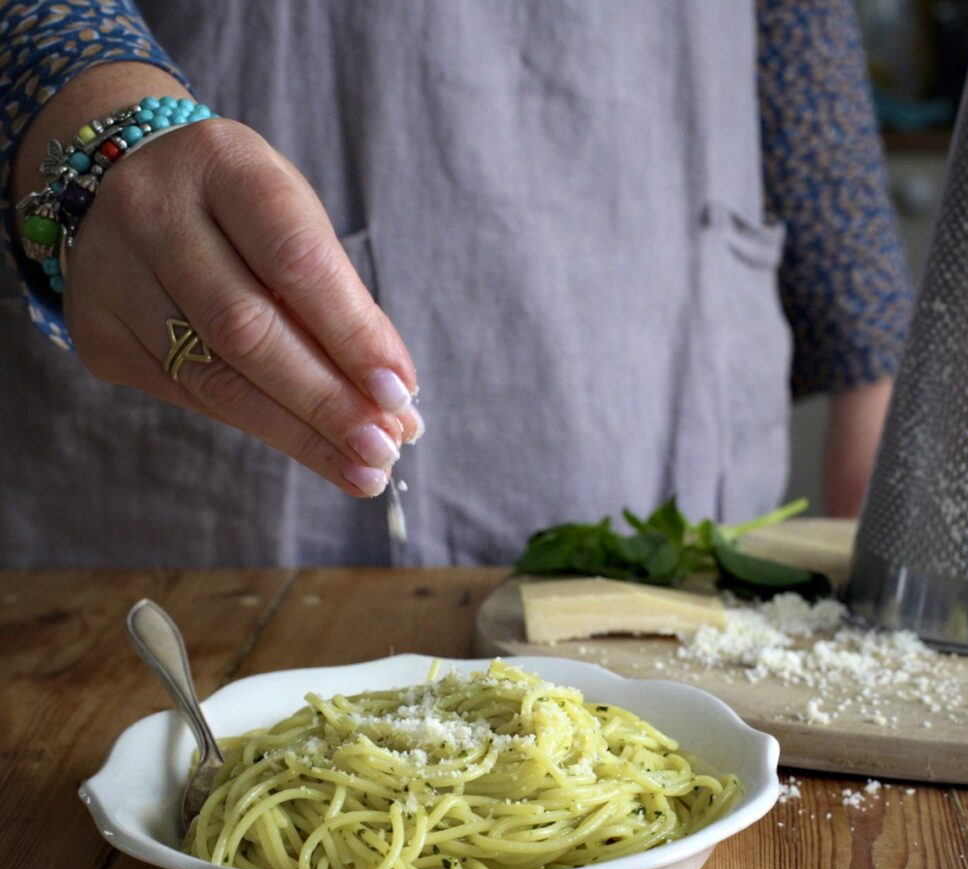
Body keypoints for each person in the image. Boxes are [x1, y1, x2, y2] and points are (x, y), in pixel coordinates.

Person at [0, 0, 910, 568]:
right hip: (195, 488)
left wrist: (866, 341)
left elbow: (798, 24)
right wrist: (84, 97)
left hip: (665, 337)